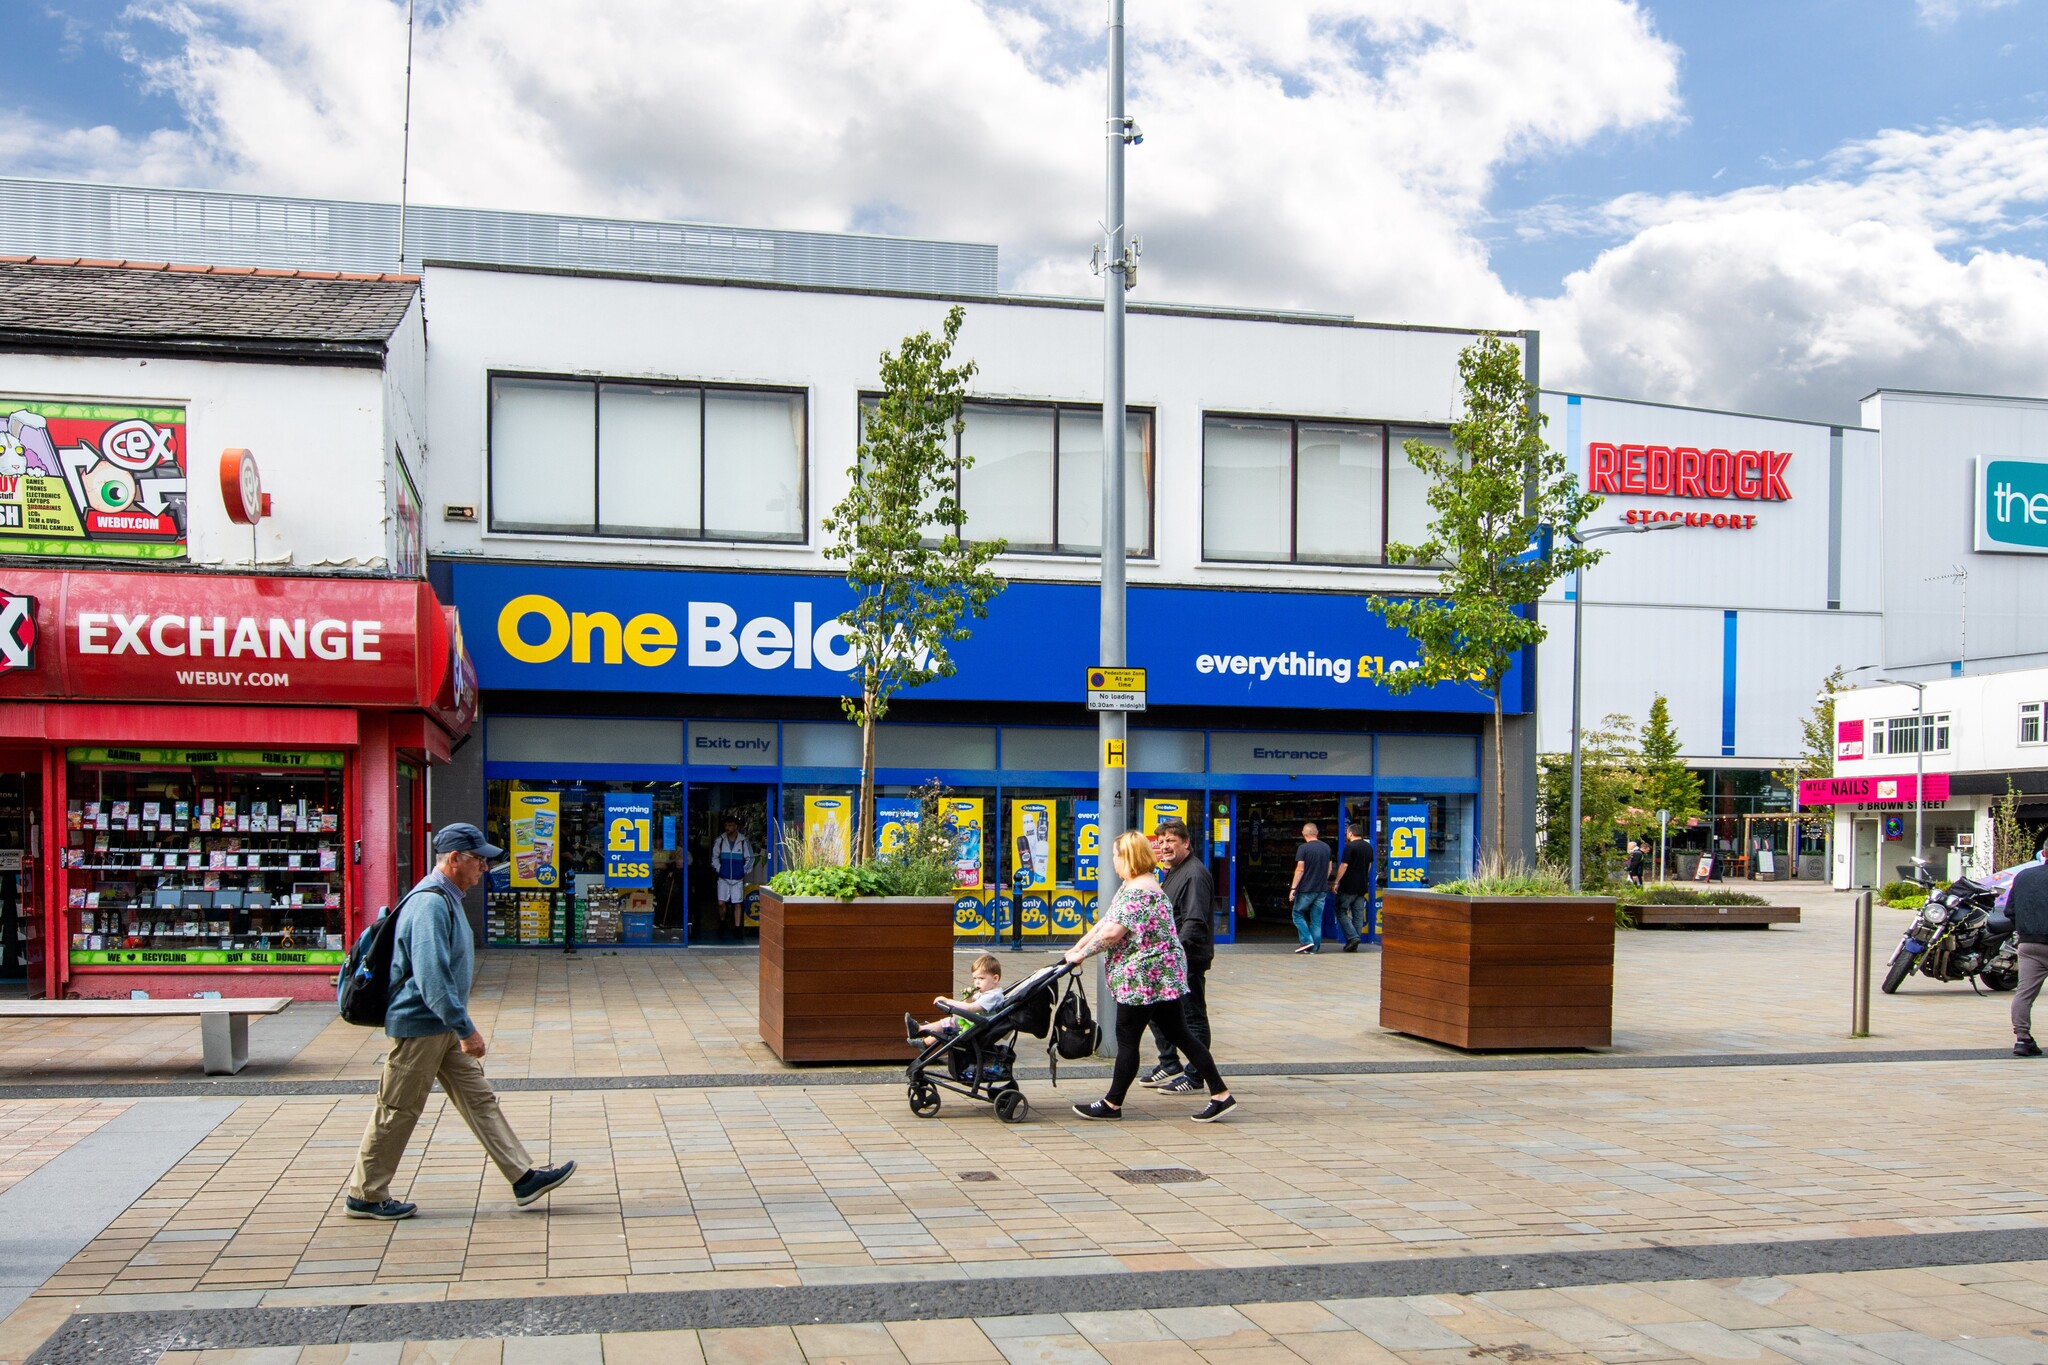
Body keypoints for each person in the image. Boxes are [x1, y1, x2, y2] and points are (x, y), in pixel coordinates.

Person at [345, 823, 575, 1221]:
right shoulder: (431, 903)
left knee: (477, 1096)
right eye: (479, 860)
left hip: (439, 1025)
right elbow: (431, 976)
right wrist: (465, 1027)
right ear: (454, 860)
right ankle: (365, 1194)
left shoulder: (447, 897)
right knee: (397, 1107)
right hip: (421, 1025)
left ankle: (523, 1176)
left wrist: (456, 1024)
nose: (484, 868)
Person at [1064, 830, 1235, 1122]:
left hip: (1145, 977)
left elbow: (1113, 934)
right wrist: (1076, 947)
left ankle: (1112, 1104)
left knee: (1128, 1039)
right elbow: (1106, 921)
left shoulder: (1140, 891)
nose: (1113, 862)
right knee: (1179, 1033)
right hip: (1158, 975)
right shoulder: (1134, 885)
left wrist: (1082, 954)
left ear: (1127, 857)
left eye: (1115, 856)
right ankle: (1221, 1094)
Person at [1138, 818, 1215, 1093]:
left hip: (1186, 959)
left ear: (1186, 843)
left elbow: (1194, 921)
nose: (1165, 846)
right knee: (1153, 1010)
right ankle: (1169, 1062)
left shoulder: (1194, 874)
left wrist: (1172, 952)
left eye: (1171, 841)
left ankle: (1195, 1076)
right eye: (1161, 842)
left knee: (1192, 1017)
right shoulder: (1173, 870)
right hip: (1167, 957)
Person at [907, 953, 1006, 1043]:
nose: (977, 982)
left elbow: (970, 1008)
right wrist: (970, 995)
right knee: (948, 1025)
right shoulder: (985, 992)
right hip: (976, 1026)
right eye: (975, 978)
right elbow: (967, 1002)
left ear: (995, 979)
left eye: (981, 978)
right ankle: (926, 1042)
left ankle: (919, 1029)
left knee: (949, 1022)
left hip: (980, 1029)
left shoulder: (992, 996)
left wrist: (947, 1001)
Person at [2010, 844, 2048, 1057]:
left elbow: (2010, 910)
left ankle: (2023, 1039)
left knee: (2024, 993)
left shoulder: (2023, 877)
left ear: (2043, 853)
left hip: (2029, 944)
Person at [1289, 822, 1333, 955]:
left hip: (1306, 889)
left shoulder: (1303, 848)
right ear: (1316, 833)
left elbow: (1300, 869)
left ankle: (1306, 940)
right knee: (1317, 920)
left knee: (1297, 914)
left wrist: (1293, 888)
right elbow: (1329, 868)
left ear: (1303, 833)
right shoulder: (1326, 848)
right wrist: (1322, 880)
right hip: (1321, 889)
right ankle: (1315, 948)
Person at [1331, 819, 1374, 952]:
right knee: (1358, 914)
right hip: (1362, 885)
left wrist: (1336, 881)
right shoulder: (1368, 847)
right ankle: (1354, 942)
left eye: (1347, 833)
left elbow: (1344, 865)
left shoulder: (1350, 847)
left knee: (1340, 910)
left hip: (1348, 885)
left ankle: (1353, 937)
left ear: (1350, 833)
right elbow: (1370, 865)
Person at [712, 815, 754, 940]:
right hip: (723, 878)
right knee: (721, 903)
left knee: (737, 903)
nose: (728, 828)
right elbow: (714, 857)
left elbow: (750, 858)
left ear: (735, 826)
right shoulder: (720, 840)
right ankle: (723, 920)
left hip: (737, 879)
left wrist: (742, 871)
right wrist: (720, 869)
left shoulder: (743, 840)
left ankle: (737, 928)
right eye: (726, 825)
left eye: (730, 825)